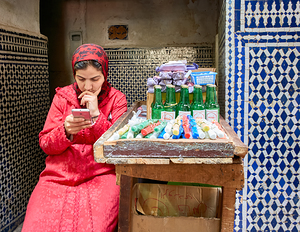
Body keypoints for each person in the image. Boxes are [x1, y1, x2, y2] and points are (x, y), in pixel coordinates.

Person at [22, 44, 127, 232]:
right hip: (58, 175)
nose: (88, 86)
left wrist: (96, 116)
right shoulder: (62, 98)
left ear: (105, 74)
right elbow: (45, 144)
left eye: (95, 79)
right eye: (81, 79)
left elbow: (118, 148)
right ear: (74, 75)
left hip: (101, 174)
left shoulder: (116, 100)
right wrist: (65, 131)